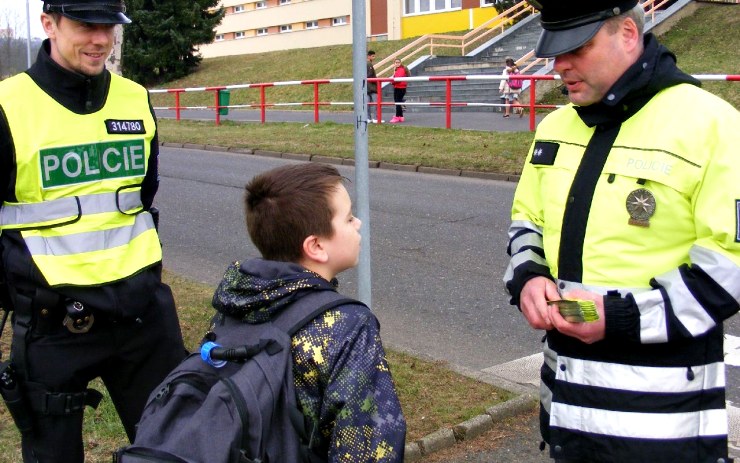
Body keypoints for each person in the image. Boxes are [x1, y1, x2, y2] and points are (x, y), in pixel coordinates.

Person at [503, 1, 740, 462]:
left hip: (663, 425)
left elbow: (730, 266)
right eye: (554, 51)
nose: (560, 66)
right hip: (566, 411)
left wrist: (620, 317)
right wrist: (529, 275)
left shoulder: (713, 126)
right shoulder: (555, 125)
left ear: (628, 33)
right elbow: (527, 219)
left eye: (578, 48)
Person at [0, 1, 186, 462]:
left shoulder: (134, 99)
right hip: (54, 322)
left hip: (143, 316)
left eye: (110, 27)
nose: (101, 39)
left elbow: (142, 197)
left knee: (178, 448)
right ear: (49, 24)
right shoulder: (9, 106)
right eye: (85, 26)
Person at [210, 163, 406, 462]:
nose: (359, 224)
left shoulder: (237, 305)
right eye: (349, 217)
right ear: (316, 246)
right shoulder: (345, 327)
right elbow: (368, 447)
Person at [389, 58, 410, 123]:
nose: (397, 63)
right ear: (394, 63)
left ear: (400, 63)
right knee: (398, 102)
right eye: (396, 62)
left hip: (399, 88)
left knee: (397, 102)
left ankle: (397, 117)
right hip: (400, 87)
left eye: (398, 62)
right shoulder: (399, 69)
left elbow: (398, 79)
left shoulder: (400, 69)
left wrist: (392, 82)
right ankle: (400, 116)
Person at [366, 50, 381, 124]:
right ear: (368, 56)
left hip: (366, 88)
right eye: (373, 56)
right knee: (376, 103)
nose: (374, 57)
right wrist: (375, 82)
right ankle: (376, 118)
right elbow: (370, 75)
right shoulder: (369, 64)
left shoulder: (365, 63)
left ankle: (368, 118)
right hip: (371, 87)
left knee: (367, 103)